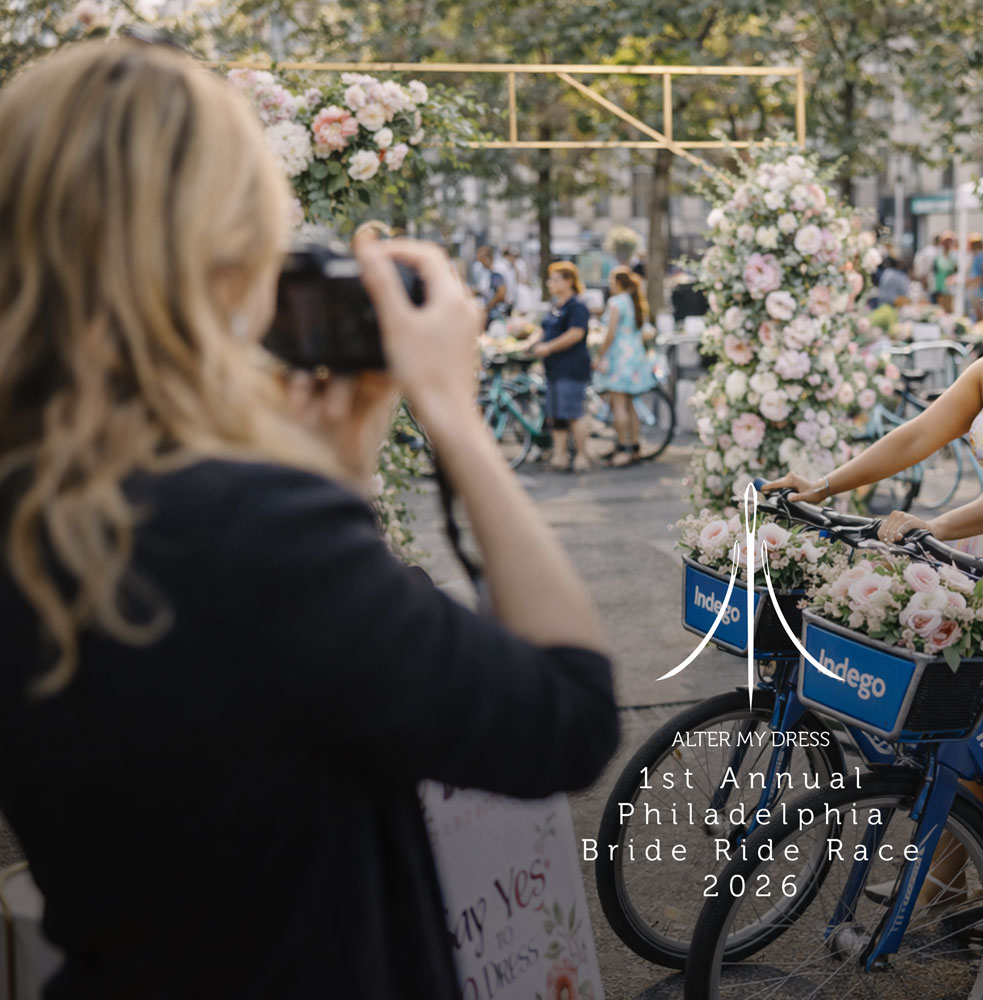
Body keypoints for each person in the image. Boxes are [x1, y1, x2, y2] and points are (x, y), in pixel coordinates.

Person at [0, 41, 618, 998]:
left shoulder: (40, 500)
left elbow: (266, 696)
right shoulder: (238, 523)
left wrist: (340, 479)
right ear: (218, 257)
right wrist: (454, 418)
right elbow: (564, 721)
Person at [764, 244, 983, 777]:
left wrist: (937, 526)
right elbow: (917, 436)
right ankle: (948, 859)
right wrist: (824, 486)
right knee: (965, 737)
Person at [523, 261, 594, 472]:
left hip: (571, 368)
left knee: (573, 413)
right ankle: (560, 455)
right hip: (554, 369)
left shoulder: (577, 306)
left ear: (569, 281)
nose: (550, 283)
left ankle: (582, 456)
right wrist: (530, 343)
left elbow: (576, 334)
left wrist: (549, 347)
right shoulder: (556, 307)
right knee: (556, 414)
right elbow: (544, 329)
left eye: (555, 279)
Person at [593, 268, 655, 466]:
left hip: (620, 358)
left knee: (619, 404)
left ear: (618, 283)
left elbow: (610, 334)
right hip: (635, 357)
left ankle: (623, 446)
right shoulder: (633, 300)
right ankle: (635, 446)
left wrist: (600, 355)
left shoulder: (616, 302)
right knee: (631, 405)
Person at [965, 233, 983, 322]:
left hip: (977, 291)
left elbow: (977, 277)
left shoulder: (977, 257)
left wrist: (964, 282)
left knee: (979, 317)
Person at [932, 231, 959, 312]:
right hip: (940, 286)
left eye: (949, 241)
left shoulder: (956, 255)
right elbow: (935, 270)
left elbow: (957, 270)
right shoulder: (938, 256)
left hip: (952, 287)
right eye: (945, 241)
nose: (947, 243)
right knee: (941, 309)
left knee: (951, 308)